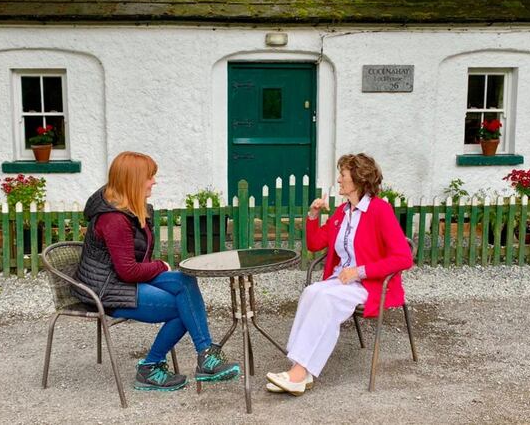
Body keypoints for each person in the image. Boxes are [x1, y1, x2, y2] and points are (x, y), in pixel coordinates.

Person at [75, 151, 240, 391]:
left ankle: (205, 354)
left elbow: (131, 265)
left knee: (185, 280)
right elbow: (128, 271)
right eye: (149, 177)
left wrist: (156, 268)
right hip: (106, 289)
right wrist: (160, 266)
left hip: (122, 281)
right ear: (133, 180)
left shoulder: (129, 209)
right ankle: (150, 367)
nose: (154, 182)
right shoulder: (114, 219)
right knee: (183, 308)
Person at [266, 153, 413, 395]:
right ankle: (300, 369)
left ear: (358, 178)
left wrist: (360, 271)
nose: (339, 179)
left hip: (369, 284)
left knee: (326, 300)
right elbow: (315, 244)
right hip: (340, 280)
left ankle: (299, 373)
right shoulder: (343, 212)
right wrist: (313, 215)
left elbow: (403, 257)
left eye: (343, 175)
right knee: (311, 292)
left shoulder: (380, 210)